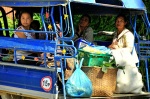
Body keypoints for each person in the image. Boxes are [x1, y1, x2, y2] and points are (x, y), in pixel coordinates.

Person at [108, 14, 143, 94]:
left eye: (121, 21)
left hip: (126, 57)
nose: (118, 22)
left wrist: (118, 49)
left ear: (125, 23)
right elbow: (112, 45)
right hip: (116, 55)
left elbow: (129, 49)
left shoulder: (128, 34)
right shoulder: (116, 34)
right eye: (117, 21)